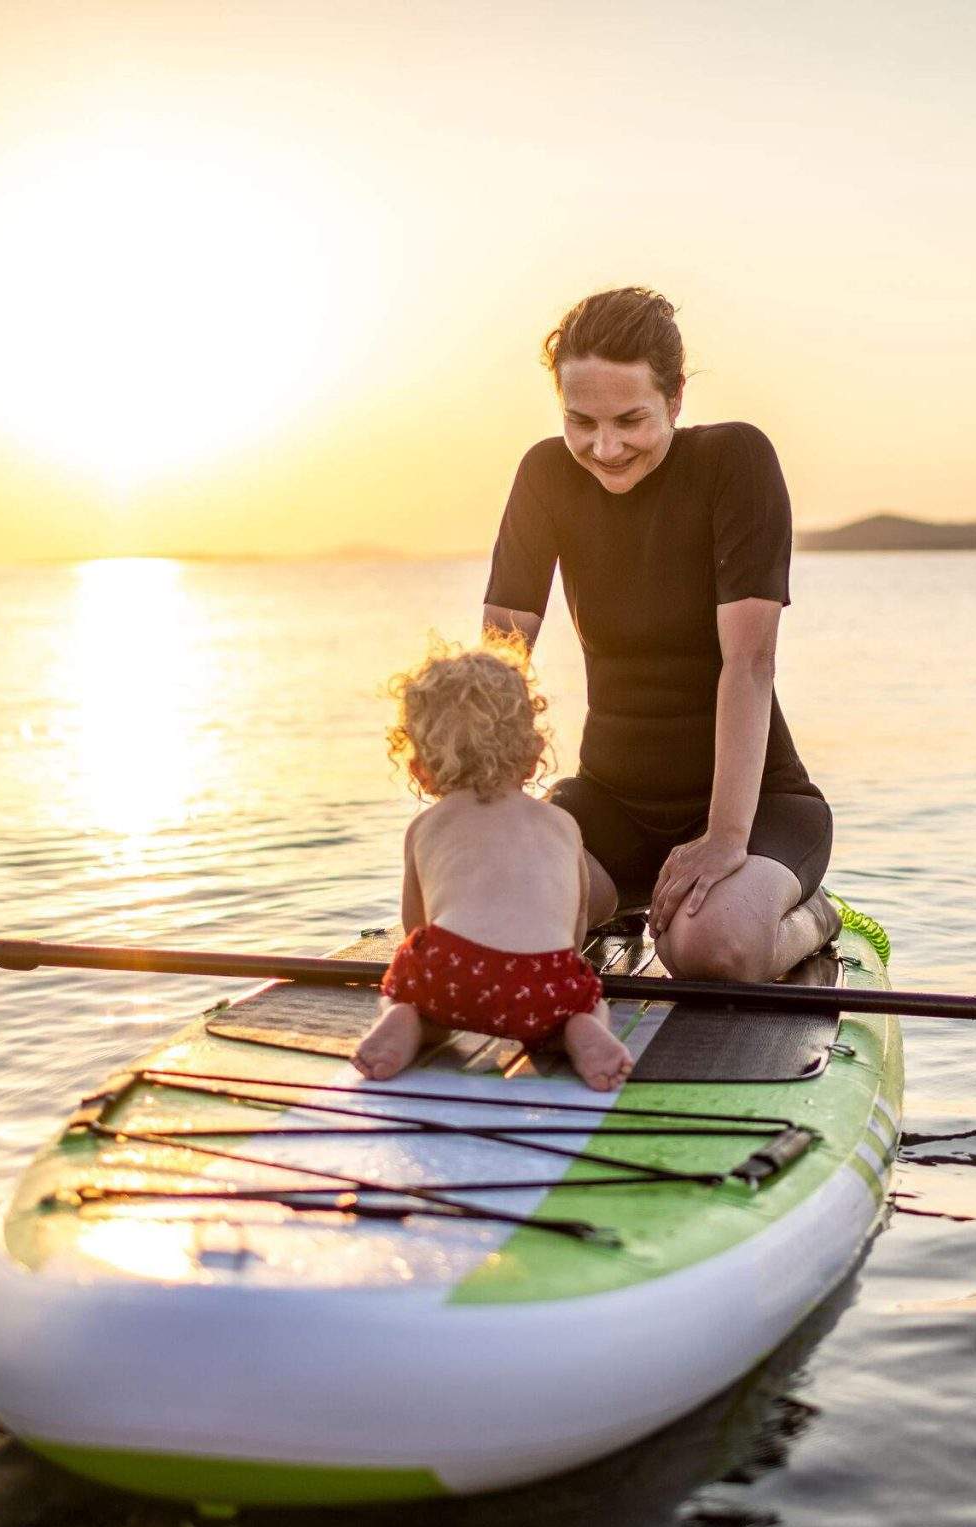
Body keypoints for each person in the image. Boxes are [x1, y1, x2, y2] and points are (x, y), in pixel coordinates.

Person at [482, 286, 838, 985]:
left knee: (707, 950)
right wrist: (488, 804)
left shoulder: (733, 462)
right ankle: (618, 906)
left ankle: (810, 914)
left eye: (630, 419)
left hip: (759, 806)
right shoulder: (546, 474)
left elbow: (750, 663)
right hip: (610, 806)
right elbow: (498, 663)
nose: (604, 447)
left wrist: (724, 839)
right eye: (580, 421)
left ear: (675, 398)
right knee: (503, 909)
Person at [351, 640, 635, 1091]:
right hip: (545, 978)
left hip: (451, 968)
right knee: (581, 1003)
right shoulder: (561, 824)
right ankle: (580, 1029)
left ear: (420, 767)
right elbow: (575, 929)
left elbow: (415, 931)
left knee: (415, 994)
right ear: (534, 751)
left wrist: (435, 982)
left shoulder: (426, 827)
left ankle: (407, 1021)